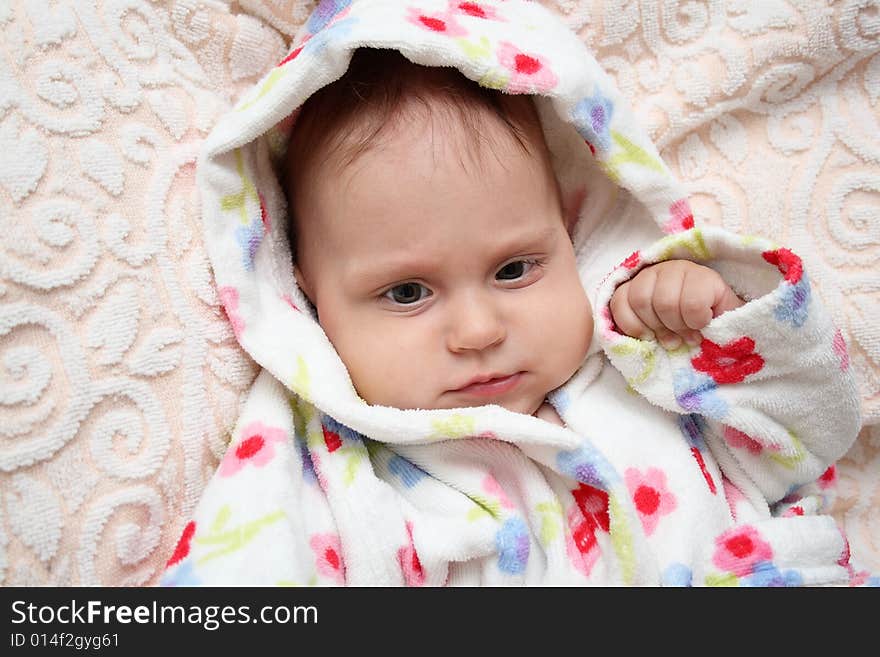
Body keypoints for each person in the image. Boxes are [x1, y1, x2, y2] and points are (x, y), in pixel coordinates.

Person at [164, 0, 864, 586]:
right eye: (407, 291)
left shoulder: (642, 355)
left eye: (513, 269)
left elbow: (812, 431)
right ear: (307, 295)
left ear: (572, 232)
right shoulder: (331, 463)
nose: (477, 329)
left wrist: (723, 321)